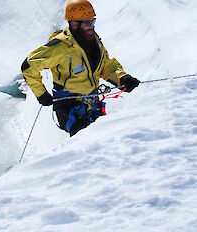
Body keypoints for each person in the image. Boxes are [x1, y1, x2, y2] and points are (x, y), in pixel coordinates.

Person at [21, 0, 140, 136]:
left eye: (93, 22)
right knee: (88, 143)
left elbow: (106, 65)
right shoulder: (60, 47)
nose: (92, 27)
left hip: (91, 105)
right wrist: (41, 94)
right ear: (74, 24)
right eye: (88, 23)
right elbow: (29, 66)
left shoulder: (94, 42)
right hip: (69, 109)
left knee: (104, 140)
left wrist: (122, 78)